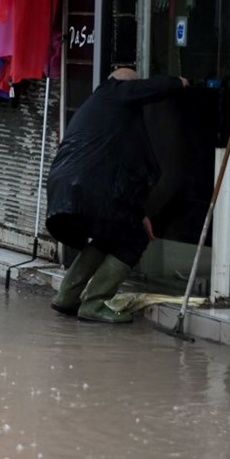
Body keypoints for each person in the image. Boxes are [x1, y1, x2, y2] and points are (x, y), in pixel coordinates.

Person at [44, 67, 189, 322]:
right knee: (134, 238)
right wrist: (179, 81)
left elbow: (118, 171)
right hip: (87, 186)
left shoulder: (101, 109)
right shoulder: (115, 92)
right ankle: (95, 302)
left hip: (67, 186)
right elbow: (151, 88)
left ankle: (67, 296)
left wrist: (138, 212)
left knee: (108, 234)